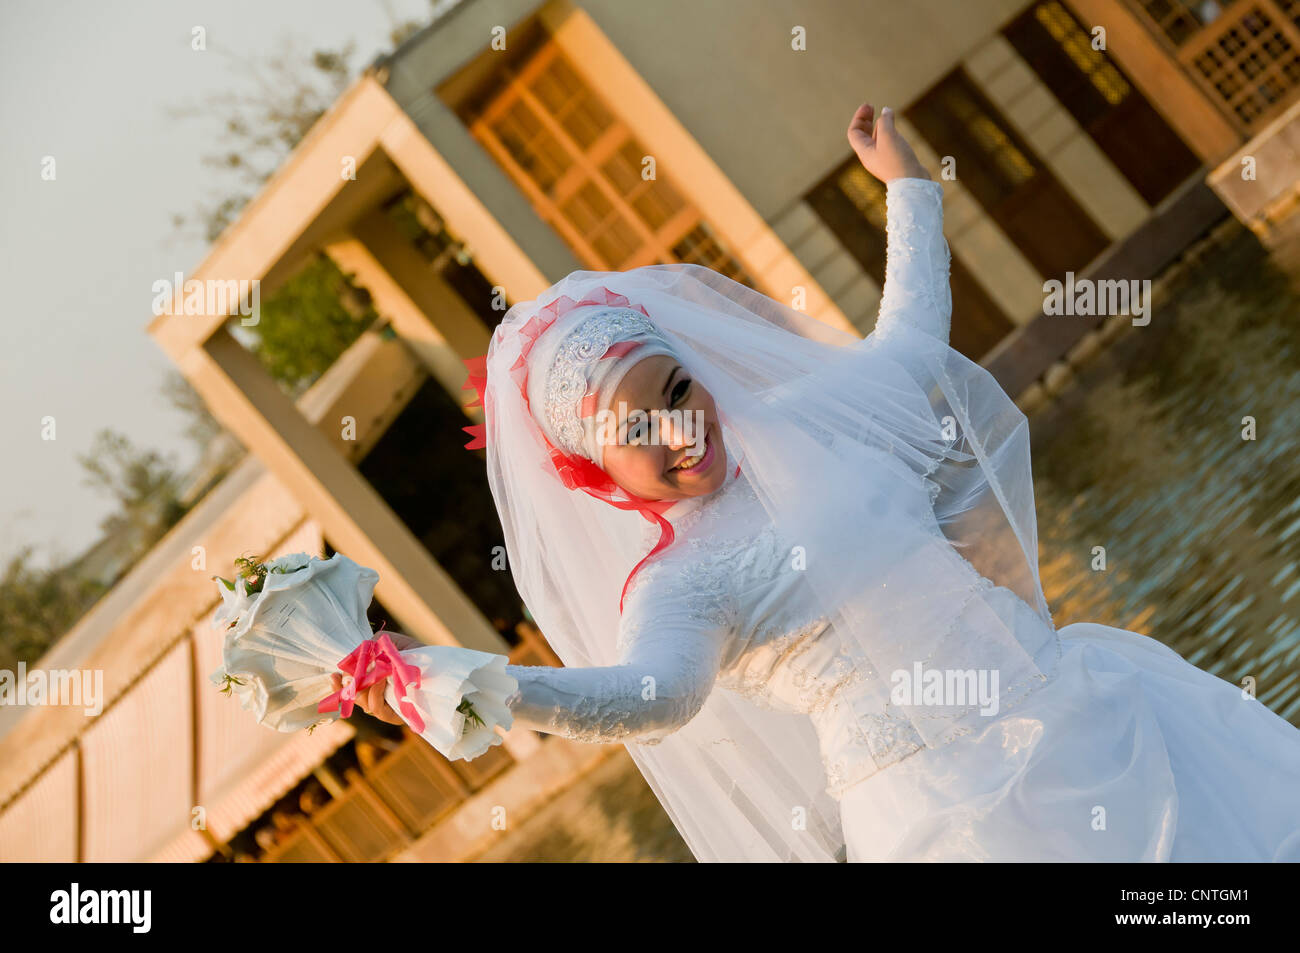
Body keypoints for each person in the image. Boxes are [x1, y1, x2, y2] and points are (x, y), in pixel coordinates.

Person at [336, 103, 1300, 862]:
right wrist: (475, 684)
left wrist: (907, 186)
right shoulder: (680, 584)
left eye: (678, 389)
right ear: (596, 468)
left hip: (1075, 713)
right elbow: (647, 695)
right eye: (637, 430)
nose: (679, 428)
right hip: (943, 826)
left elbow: (912, 336)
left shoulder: (822, 424)